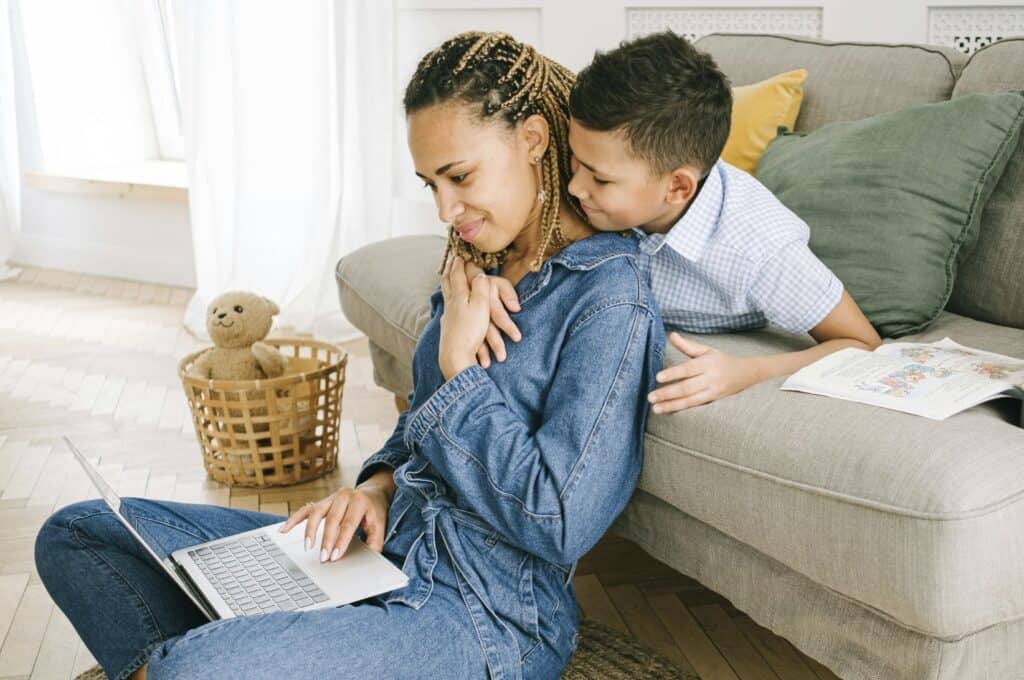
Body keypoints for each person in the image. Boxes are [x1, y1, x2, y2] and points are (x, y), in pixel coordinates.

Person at [34, 31, 664, 680]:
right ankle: (258, 645)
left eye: (460, 176)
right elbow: (416, 425)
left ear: (533, 138)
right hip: (375, 551)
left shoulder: (610, 298)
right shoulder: (476, 262)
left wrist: (461, 375)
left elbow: (560, 521)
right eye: (430, 185)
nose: (447, 210)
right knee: (78, 534)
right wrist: (376, 487)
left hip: (483, 610)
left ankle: (225, 654)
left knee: (188, 670)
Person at [474, 31, 882, 415]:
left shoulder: (760, 247)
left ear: (677, 188)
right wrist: (477, 273)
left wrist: (748, 372)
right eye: (574, 162)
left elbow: (862, 343)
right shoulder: (598, 173)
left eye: (598, 177)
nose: (575, 186)